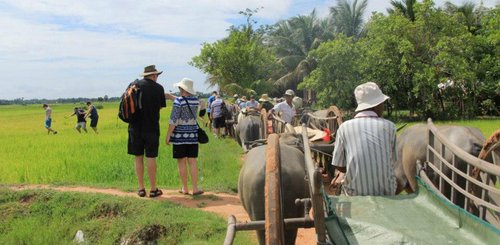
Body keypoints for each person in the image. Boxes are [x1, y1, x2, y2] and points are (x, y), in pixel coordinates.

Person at [330, 82, 401, 196]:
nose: (383, 106)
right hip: (386, 193)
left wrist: (351, 168)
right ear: (376, 105)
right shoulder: (390, 126)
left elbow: (338, 165)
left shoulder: (344, 128)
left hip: (354, 194)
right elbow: (393, 161)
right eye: (382, 103)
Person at [128, 65, 166, 198]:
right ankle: (153, 189)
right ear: (154, 75)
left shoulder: (134, 85)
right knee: (151, 157)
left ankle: (141, 188)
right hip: (151, 127)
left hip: (134, 127)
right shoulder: (158, 88)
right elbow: (160, 107)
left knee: (138, 156)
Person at [166, 78, 204, 196]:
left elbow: (173, 120)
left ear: (182, 89)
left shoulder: (178, 102)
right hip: (193, 135)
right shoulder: (196, 101)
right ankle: (195, 188)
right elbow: (199, 106)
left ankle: (185, 188)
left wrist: (168, 135)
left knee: (181, 162)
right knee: (192, 161)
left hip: (179, 137)